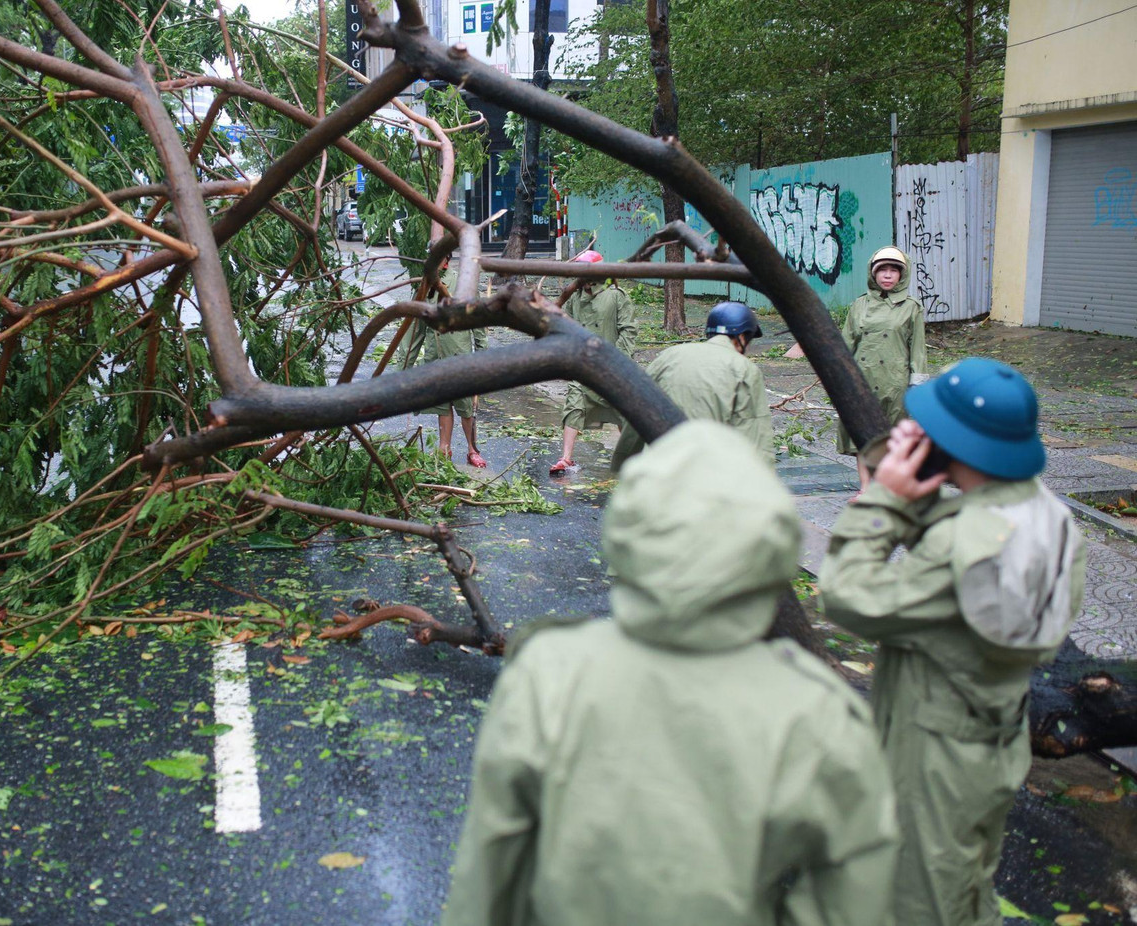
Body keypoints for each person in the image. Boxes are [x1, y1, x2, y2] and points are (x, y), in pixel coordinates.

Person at [443, 421, 900, 926]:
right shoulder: (821, 714)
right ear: (774, 545)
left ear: (624, 532)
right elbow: (850, 902)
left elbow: (491, 871)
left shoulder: (548, 673)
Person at [819, 358, 1087, 926]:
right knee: (969, 886)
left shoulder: (957, 546)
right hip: (995, 733)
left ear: (956, 445)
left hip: (933, 756)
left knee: (924, 901)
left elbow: (845, 595)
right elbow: (965, 527)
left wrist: (881, 505)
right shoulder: (1042, 513)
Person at [611, 300, 773, 468]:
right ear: (741, 336)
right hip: (708, 474)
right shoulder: (745, 369)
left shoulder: (669, 355)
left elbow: (638, 411)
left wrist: (623, 463)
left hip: (659, 468)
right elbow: (755, 436)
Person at [837, 245, 927, 490]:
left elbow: (918, 348)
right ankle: (866, 488)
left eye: (893, 270)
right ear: (873, 274)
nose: (887, 275)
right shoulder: (859, 306)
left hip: (894, 382)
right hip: (862, 379)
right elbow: (845, 343)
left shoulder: (911, 307)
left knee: (892, 437)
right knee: (862, 435)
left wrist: (917, 385)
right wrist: (839, 377)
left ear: (902, 274)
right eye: (882, 270)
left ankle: (888, 487)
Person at [550, 250, 637, 475]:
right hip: (584, 367)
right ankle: (566, 458)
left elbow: (628, 331)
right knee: (574, 406)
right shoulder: (575, 298)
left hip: (612, 367)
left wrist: (620, 361)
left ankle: (635, 460)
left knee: (623, 414)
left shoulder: (616, 295)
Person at [401, 260, 488, 467]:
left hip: (460, 357)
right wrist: (404, 368)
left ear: (447, 260)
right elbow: (414, 333)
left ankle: (472, 449)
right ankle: (444, 448)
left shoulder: (462, 284)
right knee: (443, 405)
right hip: (436, 356)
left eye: (438, 256)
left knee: (466, 407)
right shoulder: (424, 287)